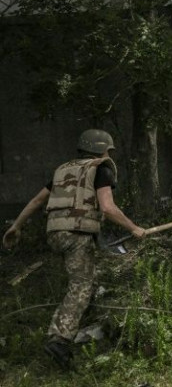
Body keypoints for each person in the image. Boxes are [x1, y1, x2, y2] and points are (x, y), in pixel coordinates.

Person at [2, 129, 146, 369]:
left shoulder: (63, 169)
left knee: (83, 279)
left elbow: (38, 201)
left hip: (55, 234)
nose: (109, 153)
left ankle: (78, 323)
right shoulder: (101, 169)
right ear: (102, 149)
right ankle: (60, 339)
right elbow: (108, 208)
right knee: (81, 286)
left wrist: (16, 226)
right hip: (76, 234)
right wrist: (134, 228)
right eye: (108, 150)